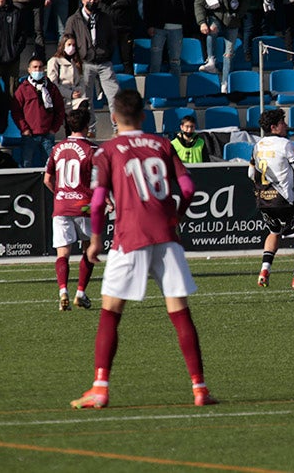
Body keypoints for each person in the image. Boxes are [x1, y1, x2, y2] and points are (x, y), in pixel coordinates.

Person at [70, 89, 217, 409]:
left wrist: (96, 240)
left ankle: (100, 388)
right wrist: (176, 216)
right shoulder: (163, 145)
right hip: (166, 236)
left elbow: (97, 202)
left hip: (130, 237)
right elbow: (189, 187)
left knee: (110, 312)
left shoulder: (107, 151)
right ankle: (199, 388)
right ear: (143, 115)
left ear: (114, 117)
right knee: (180, 313)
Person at [250, 107, 294, 290]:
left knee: (274, 232)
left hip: (263, 199)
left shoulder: (258, 145)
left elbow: (250, 172)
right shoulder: (286, 145)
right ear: (274, 127)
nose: (285, 125)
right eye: (282, 122)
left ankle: (264, 271)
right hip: (283, 200)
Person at [44, 107, 98, 312]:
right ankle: (81, 293)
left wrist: (60, 194)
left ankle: (62, 291)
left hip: (61, 205)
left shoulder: (57, 149)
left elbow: (47, 179)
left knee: (63, 253)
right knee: (89, 249)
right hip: (84, 205)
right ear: (87, 126)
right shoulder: (92, 149)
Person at [65, 0, 119, 135]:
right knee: (86, 99)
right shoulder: (73, 20)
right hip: (84, 62)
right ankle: (89, 128)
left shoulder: (105, 18)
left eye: (95, 0)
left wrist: (107, 52)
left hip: (104, 62)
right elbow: (67, 39)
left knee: (114, 95)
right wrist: (76, 57)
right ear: (83, 0)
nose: (92, 2)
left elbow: (112, 38)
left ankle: (118, 128)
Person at [195, 0, 249, 92]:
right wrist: (201, 22)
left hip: (232, 19)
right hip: (216, 16)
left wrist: (239, 14)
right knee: (211, 29)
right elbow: (199, 4)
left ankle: (225, 83)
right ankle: (211, 60)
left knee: (229, 53)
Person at [11, 55, 65, 168]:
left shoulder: (51, 88)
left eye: (40, 67)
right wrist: (24, 129)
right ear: (29, 69)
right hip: (29, 135)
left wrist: (54, 128)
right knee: (26, 164)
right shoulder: (23, 89)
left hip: (47, 135)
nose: (37, 70)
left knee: (50, 166)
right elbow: (16, 111)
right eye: (35, 67)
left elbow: (59, 109)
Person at [48, 33, 89, 111]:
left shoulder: (77, 62)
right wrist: (70, 94)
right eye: (69, 44)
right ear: (63, 45)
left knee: (84, 105)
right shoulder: (54, 61)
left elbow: (81, 80)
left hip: (77, 96)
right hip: (62, 98)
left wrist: (78, 91)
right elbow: (53, 84)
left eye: (74, 45)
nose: (71, 47)